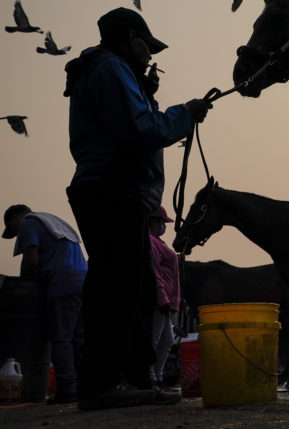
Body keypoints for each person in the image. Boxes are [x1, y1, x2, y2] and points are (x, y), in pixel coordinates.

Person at [62, 7, 212, 411]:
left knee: (136, 287)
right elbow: (140, 128)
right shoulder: (110, 69)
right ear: (131, 37)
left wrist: (149, 96)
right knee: (117, 288)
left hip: (115, 192)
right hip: (112, 191)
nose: (150, 55)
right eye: (147, 45)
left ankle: (130, 379)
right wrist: (185, 113)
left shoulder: (108, 70)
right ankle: (101, 384)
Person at [2, 204, 86, 404]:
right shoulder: (55, 223)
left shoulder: (29, 223)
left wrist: (25, 290)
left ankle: (66, 388)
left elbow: (30, 261)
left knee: (61, 337)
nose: (17, 235)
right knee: (79, 339)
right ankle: (85, 386)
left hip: (62, 284)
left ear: (15, 219)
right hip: (84, 282)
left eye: (13, 232)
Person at [146, 206, 180, 391]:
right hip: (161, 299)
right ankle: (151, 378)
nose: (162, 225)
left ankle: (158, 377)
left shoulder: (158, 243)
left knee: (166, 341)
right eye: (160, 221)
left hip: (166, 298)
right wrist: (163, 298)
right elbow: (156, 273)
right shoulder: (151, 243)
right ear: (152, 221)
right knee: (155, 339)